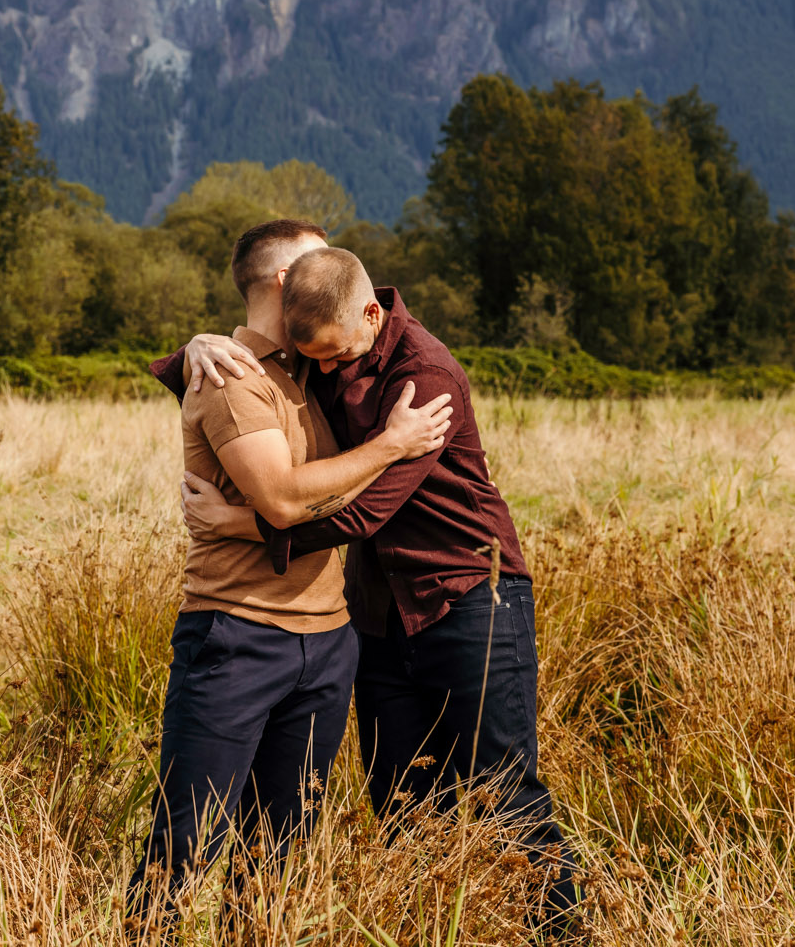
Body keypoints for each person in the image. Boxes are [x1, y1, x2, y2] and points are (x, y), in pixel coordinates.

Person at [171, 246, 580, 926]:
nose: (326, 371)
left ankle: (567, 937)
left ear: (372, 311)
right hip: (381, 618)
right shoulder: (327, 339)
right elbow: (246, 387)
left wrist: (244, 525)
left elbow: (366, 511)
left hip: (470, 599)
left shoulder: (426, 376)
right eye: (317, 360)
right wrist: (196, 347)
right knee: (400, 803)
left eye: (334, 356)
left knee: (504, 796)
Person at [128, 220, 455, 934]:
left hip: (327, 642)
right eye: (319, 258)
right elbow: (281, 498)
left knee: (280, 855)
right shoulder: (232, 378)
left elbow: (376, 341)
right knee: (184, 843)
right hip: (239, 635)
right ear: (284, 282)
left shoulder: (314, 372)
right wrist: (392, 447)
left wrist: (189, 347)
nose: (337, 267)